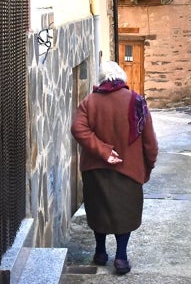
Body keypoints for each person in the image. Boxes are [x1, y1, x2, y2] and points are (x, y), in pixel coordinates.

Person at [71, 61, 159, 275]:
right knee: (125, 214)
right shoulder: (137, 102)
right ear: (122, 78)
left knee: (98, 211)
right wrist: (148, 164)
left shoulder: (89, 102)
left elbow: (77, 129)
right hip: (129, 170)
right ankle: (121, 257)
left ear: (101, 79)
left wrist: (102, 151)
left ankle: (100, 252)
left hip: (95, 170)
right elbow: (150, 142)